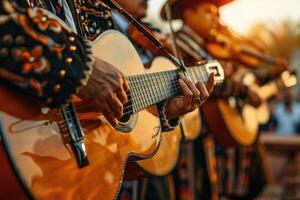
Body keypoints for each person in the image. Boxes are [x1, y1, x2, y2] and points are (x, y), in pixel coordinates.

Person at [0, 0, 214, 131]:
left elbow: (113, 100)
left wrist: (165, 110)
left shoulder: (94, 8)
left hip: (72, 165)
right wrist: (80, 67)